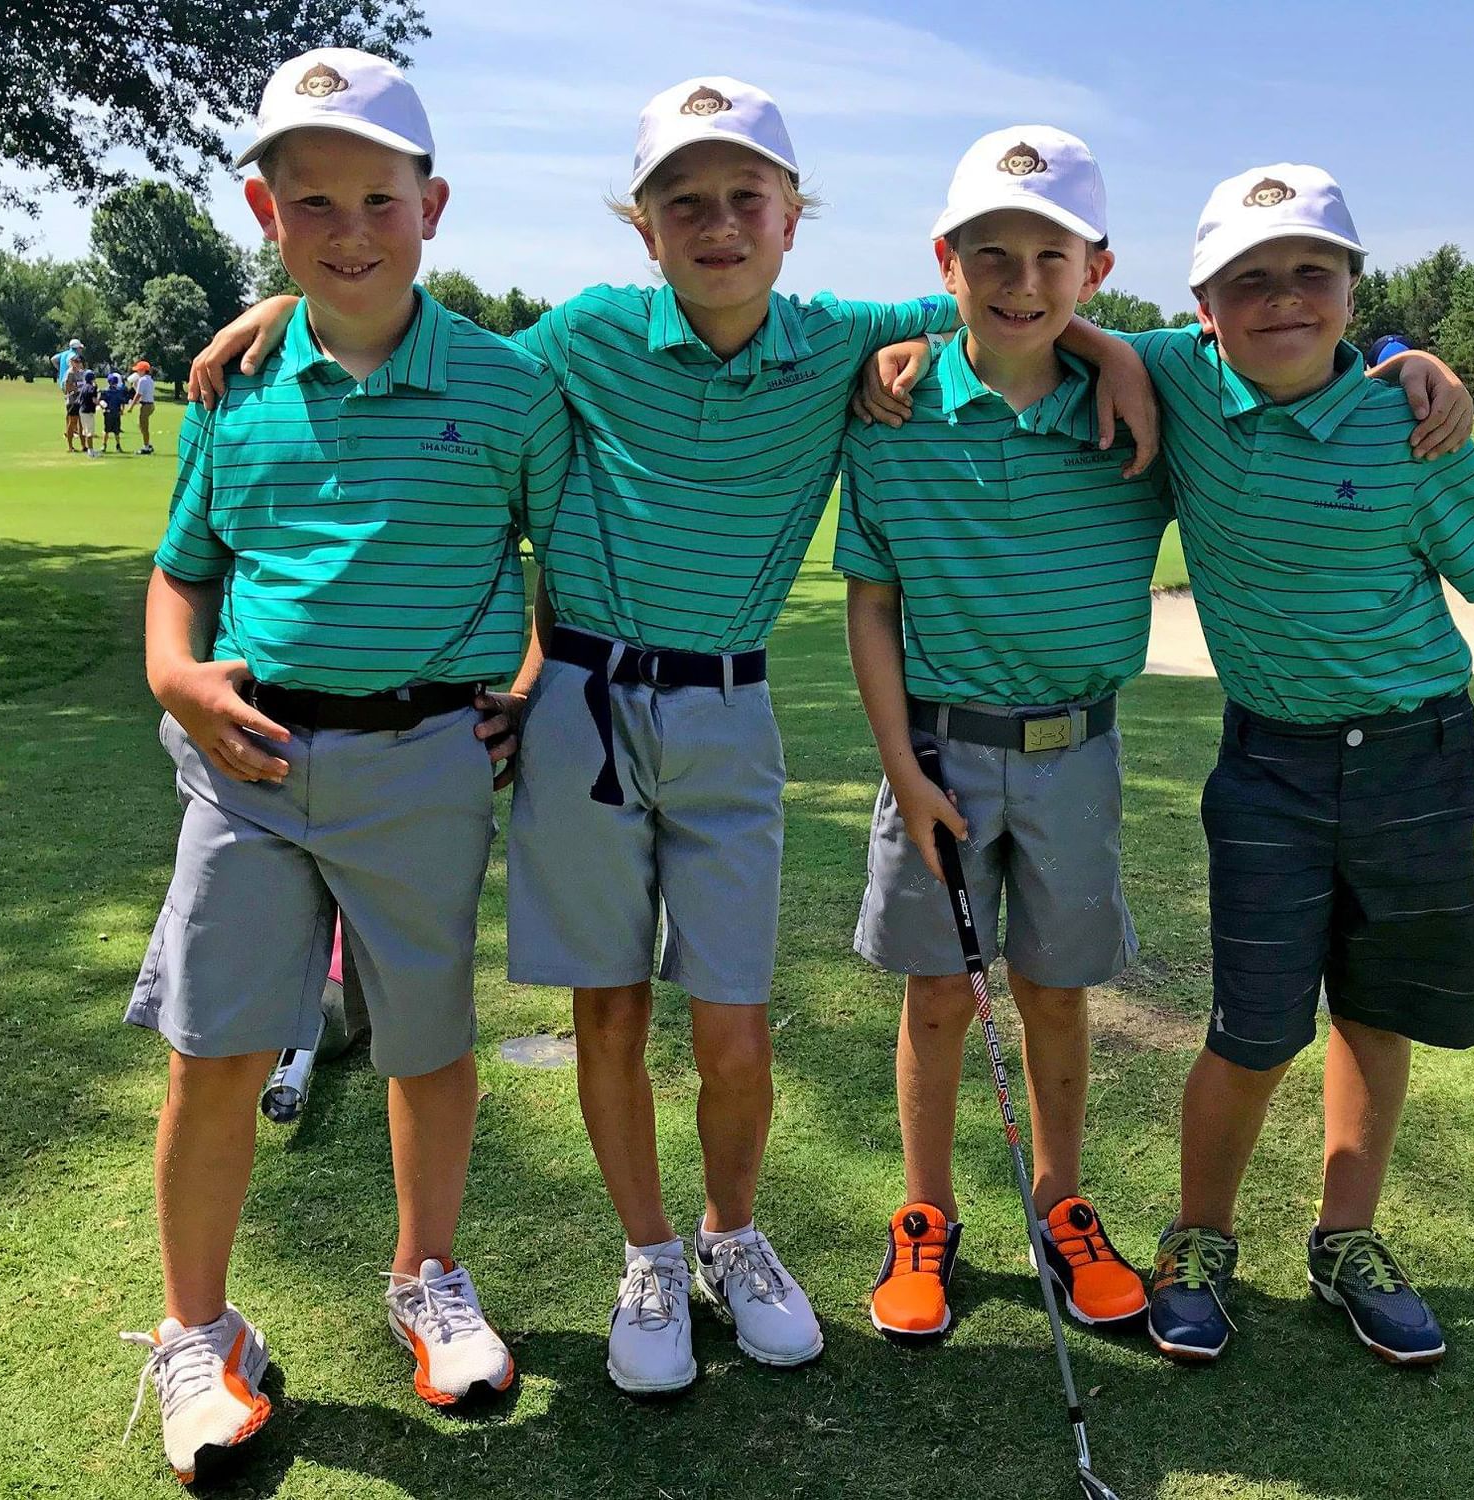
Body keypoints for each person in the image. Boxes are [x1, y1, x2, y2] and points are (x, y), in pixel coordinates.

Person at [190, 74, 1160, 1401]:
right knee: (610, 1005)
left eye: (743, 199)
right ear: (642, 226)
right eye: (683, 202)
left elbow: (1008, 303)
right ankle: (649, 1254)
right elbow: (412, 339)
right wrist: (285, 305)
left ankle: (732, 1236)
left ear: (790, 220)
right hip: (581, 707)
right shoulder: (584, 337)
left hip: (728, 711)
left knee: (733, 1023)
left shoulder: (837, 340)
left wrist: (1113, 348)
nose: (717, 224)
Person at [119, 48, 570, 1485]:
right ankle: (202, 1332)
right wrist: (170, 674)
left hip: (426, 760)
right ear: (266, 211)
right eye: (313, 202)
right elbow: (182, 573)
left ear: (433, 207)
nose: (350, 227)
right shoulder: (233, 387)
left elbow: (562, 557)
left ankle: (425, 1276)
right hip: (240, 769)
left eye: (380, 196)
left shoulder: (508, 388)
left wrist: (532, 678)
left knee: (429, 1048)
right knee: (214, 1055)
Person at [1105, 164, 1474, 1370]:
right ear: (1202, 305)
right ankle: (1197, 1239)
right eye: (1247, 281)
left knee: (1376, 1013)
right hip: (1269, 766)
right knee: (1251, 1028)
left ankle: (1343, 1240)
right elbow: (1056, 321)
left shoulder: (1409, 420)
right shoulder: (1180, 381)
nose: (1281, 301)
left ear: (1352, 290)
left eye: (1311, 273)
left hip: (1415, 755)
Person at [838, 128, 1169, 1343]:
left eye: (1050, 256)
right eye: (991, 254)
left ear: (1095, 267)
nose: (1020, 281)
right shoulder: (891, 405)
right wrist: (897, 769)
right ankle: (922, 1215)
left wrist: (1409, 362)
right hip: (935, 751)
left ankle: (1059, 1202)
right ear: (946, 257)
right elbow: (870, 607)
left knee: (1056, 990)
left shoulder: (1150, 395)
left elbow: (1278, 354)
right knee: (936, 993)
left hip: (1075, 751)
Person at [98, 371, 129, 453]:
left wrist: (103, 408)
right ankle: (118, 446)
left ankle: (104, 445)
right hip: (116, 413)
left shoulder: (105, 391)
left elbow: (100, 401)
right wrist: (122, 410)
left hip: (108, 413)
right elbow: (122, 401)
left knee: (106, 430)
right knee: (116, 431)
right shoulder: (119, 391)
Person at [130, 360, 158, 453]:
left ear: (142, 370)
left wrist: (131, 407)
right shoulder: (150, 379)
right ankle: (147, 443)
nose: (137, 372)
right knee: (141, 425)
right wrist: (135, 386)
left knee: (144, 426)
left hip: (146, 405)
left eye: (138, 370)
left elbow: (138, 395)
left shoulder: (142, 380)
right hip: (151, 405)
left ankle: (146, 446)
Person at [77, 370, 101, 455]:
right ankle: (91, 451)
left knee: (86, 431)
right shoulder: (92, 387)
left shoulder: (83, 387)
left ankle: (89, 449)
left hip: (82, 410)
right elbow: (94, 400)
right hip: (88, 411)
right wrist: (101, 403)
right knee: (90, 431)